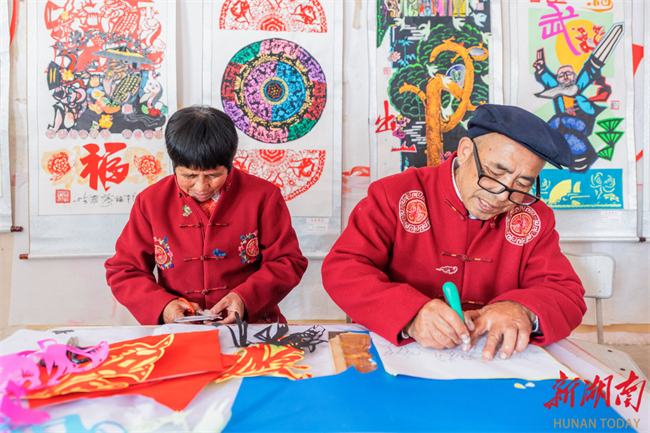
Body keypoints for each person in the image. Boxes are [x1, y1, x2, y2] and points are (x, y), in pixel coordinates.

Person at [322, 104, 587, 361]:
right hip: (398, 358)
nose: (502, 195)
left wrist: (523, 310)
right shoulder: (395, 194)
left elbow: (566, 293)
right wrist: (410, 314)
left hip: (490, 364)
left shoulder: (533, 216)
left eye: (522, 183)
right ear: (465, 151)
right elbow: (344, 268)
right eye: (495, 172)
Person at [106, 106, 308, 325]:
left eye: (213, 175)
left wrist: (245, 299)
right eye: (189, 175)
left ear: (229, 164)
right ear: (174, 166)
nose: (201, 186)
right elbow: (125, 270)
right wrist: (163, 306)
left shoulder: (264, 196)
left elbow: (287, 261)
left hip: (250, 326)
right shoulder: (151, 201)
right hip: (180, 329)